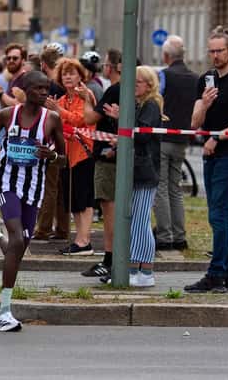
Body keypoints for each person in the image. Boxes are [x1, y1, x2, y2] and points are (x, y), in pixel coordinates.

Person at [0, 71, 66, 332]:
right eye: (38, 89)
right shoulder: (7, 115)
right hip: (7, 184)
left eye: (46, 89)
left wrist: (50, 155)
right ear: (25, 89)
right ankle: (4, 312)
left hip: (34, 189)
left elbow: (64, 158)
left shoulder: (52, 120)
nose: (44, 93)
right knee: (16, 241)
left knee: (18, 248)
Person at [184, 26, 228, 294]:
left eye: (220, 51)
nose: (215, 56)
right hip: (211, 153)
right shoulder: (205, 80)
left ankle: (216, 273)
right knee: (218, 214)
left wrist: (218, 137)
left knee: (219, 214)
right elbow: (194, 123)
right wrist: (204, 103)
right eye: (211, 51)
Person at [101, 66, 164, 286]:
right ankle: (134, 268)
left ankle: (144, 271)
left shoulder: (151, 105)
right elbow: (133, 134)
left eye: (138, 82)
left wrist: (122, 125)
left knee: (140, 222)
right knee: (135, 221)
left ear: (149, 84)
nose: (134, 85)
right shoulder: (139, 105)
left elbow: (142, 135)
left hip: (145, 171)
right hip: (136, 170)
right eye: (132, 81)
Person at [78, 48, 123, 278]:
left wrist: (87, 100)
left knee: (109, 209)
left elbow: (89, 119)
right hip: (115, 155)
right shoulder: (121, 90)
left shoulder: (114, 90)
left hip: (107, 157)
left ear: (110, 67)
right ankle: (115, 258)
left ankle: (110, 258)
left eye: (106, 63)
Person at [154, 35, 198, 251]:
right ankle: (180, 235)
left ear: (166, 56)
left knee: (160, 187)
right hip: (182, 138)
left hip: (162, 137)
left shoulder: (164, 75)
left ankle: (164, 235)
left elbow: (156, 100)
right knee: (175, 188)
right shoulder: (194, 77)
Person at [46, 58, 95, 254]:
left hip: (83, 153)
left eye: (72, 73)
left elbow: (82, 120)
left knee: (84, 200)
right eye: (64, 73)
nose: (67, 76)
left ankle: (85, 240)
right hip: (67, 154)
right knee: (74, 200)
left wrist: (59, 112)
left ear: (81, 76)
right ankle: (80, 239)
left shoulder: (85, 95)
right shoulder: (62, 99)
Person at [32, 45, 69, 241]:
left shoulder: (49, 86)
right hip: (68, 140)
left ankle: (43, 228)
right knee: (61, 187)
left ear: (44, 65)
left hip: (52, 141)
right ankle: (62, 228)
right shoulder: (66, 83)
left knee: (49, 186)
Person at [0, 44, 28, 108]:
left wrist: (1, 94)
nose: (11, 61)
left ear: (23, 61)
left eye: (15, 58)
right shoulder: (12, 80)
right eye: (8, 58)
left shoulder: (26, 79)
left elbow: (18, 105)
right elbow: (5, 106)